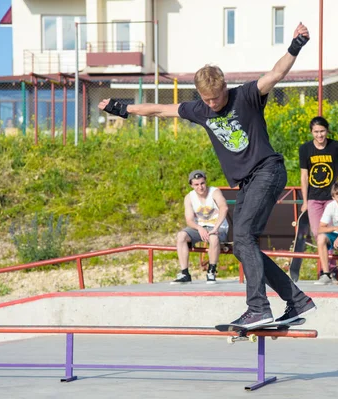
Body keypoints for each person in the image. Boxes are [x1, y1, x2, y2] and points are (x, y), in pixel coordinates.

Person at [99, 23, 316, 328]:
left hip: (268, 170)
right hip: (249, 182)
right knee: (242, 245)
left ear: (224, 86)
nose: (214, 104)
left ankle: (258, 308)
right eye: (208, 99)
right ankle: (296, 301)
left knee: (242, 236)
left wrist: (296, 45)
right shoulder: (199, 108)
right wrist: (123, 108)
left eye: (217, 97)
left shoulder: (247, 95)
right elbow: (160, 110)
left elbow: (276, 74)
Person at [298, 116, 338, 281]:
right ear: (311, 132)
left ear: (327, 131)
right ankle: (330, 270)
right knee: (317, 231)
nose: (319, 135)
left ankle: (329, 270)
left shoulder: (336, 147)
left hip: (331, 198)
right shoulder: (305, 149)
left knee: (331, 231)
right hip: (313, 197)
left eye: (322, 131)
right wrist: (305, 201)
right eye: (316, 132)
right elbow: (304, 177)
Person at [171, 170, 229, 285]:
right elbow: (189, 220)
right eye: (196, 185)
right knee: (181, 236)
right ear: (191, 185)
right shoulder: (189, 197)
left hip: (217, 226)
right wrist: (199, 228)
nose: (200, 187)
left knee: (213, 238)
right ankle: (184, 273)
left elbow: (224, 208)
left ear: (205, 182)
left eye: (202, 183)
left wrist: (216, 227)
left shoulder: (215, 192)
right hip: (200, 227)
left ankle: (211, 271)